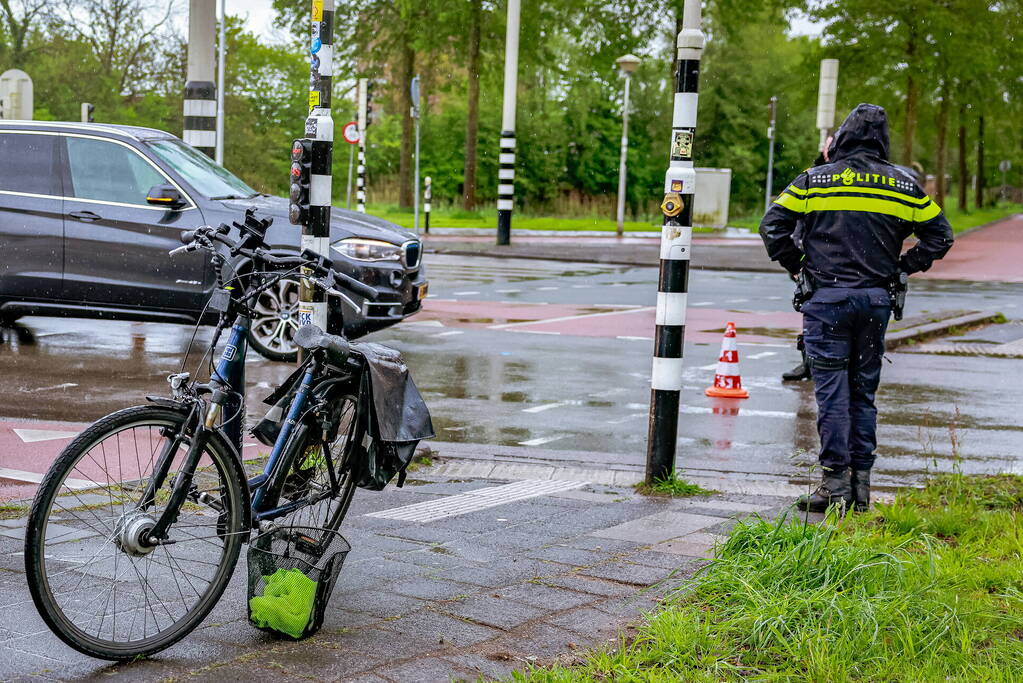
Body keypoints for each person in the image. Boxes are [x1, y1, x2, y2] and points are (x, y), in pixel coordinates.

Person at [759, 103, 954, 512]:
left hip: (826, 299)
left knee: (831, 393)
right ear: (883, 140)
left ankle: (834, 486)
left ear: (843, 136)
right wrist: (903, 267)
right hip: (875, 300)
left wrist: (799, 267)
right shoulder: (903, 185)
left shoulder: (815, 180)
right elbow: (940, 237)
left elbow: (772, 226)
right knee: (863, 394)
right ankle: (862, 487)